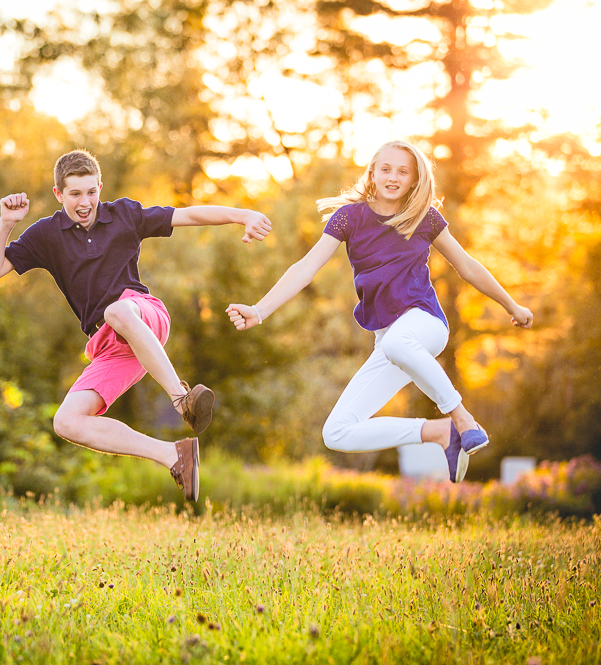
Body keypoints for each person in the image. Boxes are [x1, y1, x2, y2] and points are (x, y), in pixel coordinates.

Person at [226, 140, 533, 483]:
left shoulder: (425, 217)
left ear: (415, 180)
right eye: (385, 169)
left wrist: (512, 305)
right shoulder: (349, 219)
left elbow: (468, 267)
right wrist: (259, 310)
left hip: (425, 323)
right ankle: (440, 432)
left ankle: (463, 419)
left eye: (403, 172)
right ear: (372, 173)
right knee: (337, 433)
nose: (393, 177)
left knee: (398, 344)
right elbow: (305, 268)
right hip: (389, 340)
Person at [0, 149, 272, 501]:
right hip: (110, 346)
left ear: (100, 186)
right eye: (75, 194)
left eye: (91, 192)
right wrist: (6, 223)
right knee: (67, 422)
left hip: (142, 316)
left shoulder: (124, 215)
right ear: (59, 194)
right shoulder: (46, 235)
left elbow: (189, 214)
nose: (85, 202)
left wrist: (244, 215)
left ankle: (182, 400)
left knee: (117, 311)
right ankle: (173, 455)